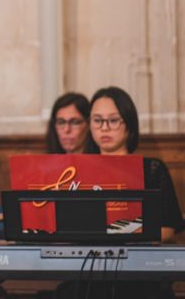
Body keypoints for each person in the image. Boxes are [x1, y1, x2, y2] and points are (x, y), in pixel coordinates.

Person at [57, 86, 184, 299]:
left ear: (129, 125)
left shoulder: (152, 168)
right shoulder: (73, 172)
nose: (104, 128)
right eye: (97, 120)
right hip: (86, 271)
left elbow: (168, 228)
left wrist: (121, 234)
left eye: (113, 120)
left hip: (139, 273)